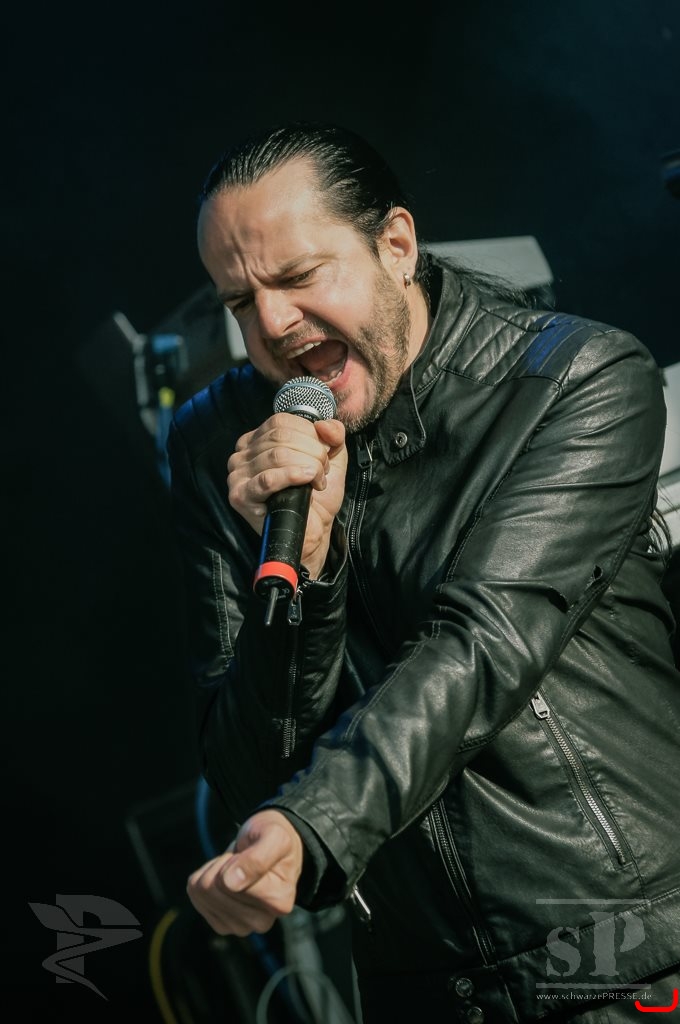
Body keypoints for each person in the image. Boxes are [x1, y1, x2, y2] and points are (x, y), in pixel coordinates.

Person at [167, 121, 680, 1023]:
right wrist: (306, 569)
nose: (272, 326)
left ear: (396, 245)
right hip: (424, 994)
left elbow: (482, 646)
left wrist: (315, 823)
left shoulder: (573, 379)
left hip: (624, 957)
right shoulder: (220, 444)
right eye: (241, 301)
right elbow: (250, 773)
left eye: (299, 276)